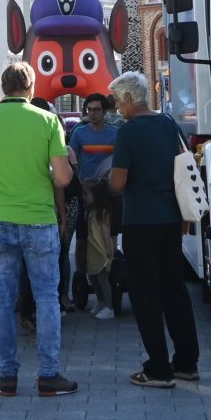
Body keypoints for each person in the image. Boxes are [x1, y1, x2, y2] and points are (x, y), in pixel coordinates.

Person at [0, 60, 76, 398]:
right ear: (32, 89)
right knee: (46, 297)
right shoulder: (48, 120)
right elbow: (61, 177)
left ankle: (7, 376)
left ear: (2, 90)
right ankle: (48, 375)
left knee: (2, 297)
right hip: (39, 219)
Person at [109, 71, 200, 390]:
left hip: (141, 220)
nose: (118, 108)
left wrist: (110, 177)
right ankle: (187, 362)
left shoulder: (128, 132)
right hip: (172, 218)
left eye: (119, 101)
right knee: (174, 290)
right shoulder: (168, 123)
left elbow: (118, 183)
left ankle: (158, 368)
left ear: (130, 98)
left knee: (146, 295)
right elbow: (184, 166)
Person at [69, 95, 122, 320]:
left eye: (97, 109)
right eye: (89, 110)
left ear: (104, 111)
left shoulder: (115, 133)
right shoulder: (79, 134)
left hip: (110, 195)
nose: (93, 113)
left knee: (108, 235)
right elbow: (72, 159)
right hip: (86, 195)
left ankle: (107, 274)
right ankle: (88, 278)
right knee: (83, 240)